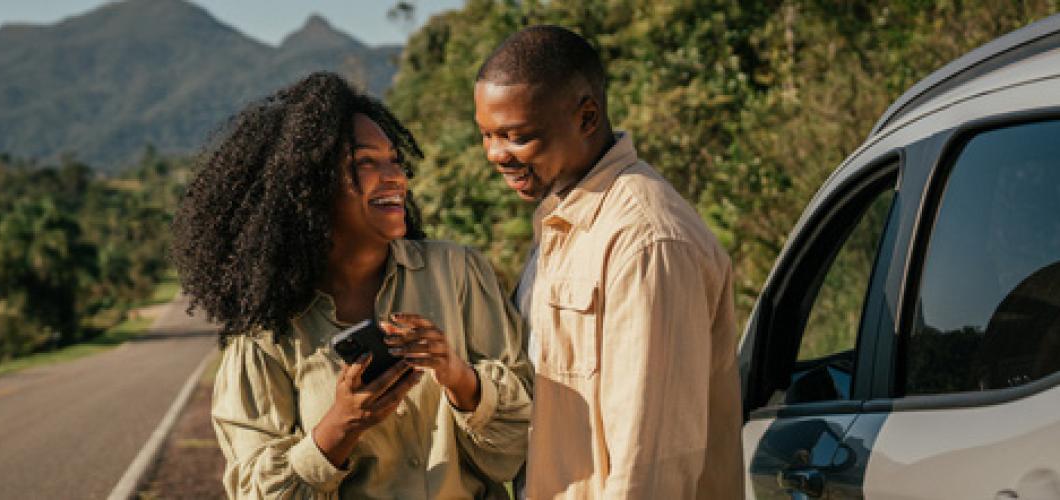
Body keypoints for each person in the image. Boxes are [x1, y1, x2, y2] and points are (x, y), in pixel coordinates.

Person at [174, 72, 532, 498]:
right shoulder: (265, 336)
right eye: (366, 163)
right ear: (306, 188)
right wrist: (341, 424)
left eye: (394, 160)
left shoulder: (457, 272)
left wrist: (459, 378)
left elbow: (518, 448)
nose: (395, 177)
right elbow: (255, 491)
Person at [471, 26, 744, 499]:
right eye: (487, 135)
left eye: (517, 137)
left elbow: (651, 460)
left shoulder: (647, 242)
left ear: (587, 117)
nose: (498, 155)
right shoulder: (563, 223)